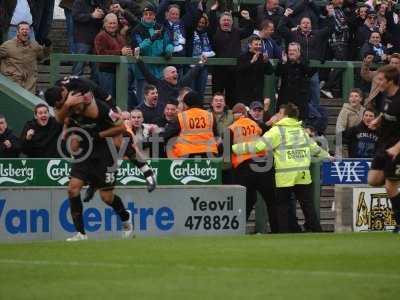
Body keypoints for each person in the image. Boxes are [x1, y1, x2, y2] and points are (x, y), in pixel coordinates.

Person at [44, 79, 156, 240]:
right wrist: (68, 117)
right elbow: (60, 118)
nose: (74, 110)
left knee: (107, 198)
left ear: (85, 99)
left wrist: (97, 135)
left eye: (75, 106)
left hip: (103, 148)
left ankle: (126, 215)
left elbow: (121, 128)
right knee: (72, 189)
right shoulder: (66, 105)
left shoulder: (99, 109)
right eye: (68, 107)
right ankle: (81, 233)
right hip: (85, 149)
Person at [232, 103, 331, 233]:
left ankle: (283, 234)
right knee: (307, 206)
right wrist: (328, 156)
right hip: (302, 174)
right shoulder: (301, 131)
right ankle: (317, 231)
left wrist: (235, 148)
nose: (277, 115)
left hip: (285, 176)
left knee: (282, 207)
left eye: (279, 113)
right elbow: (315, 149)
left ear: (284, 115)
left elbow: (258, 146)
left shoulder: (277, 131)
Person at [228, 103, 278, 232]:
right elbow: (264, 133)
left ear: (234, 115)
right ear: (246, 113)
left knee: (244, 202)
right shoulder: (254, 124)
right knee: (272, 202)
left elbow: (225, 150)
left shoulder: (232, 127)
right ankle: (278, 230)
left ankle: (237, 230)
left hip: (243, 169)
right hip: (262, 166)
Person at [367, 65, 400, 233]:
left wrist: (396, 148)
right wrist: (378, 120)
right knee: (373, 180)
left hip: (396, 148)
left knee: (390, 186)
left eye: (381, 80)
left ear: (391, 81)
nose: (378, 82)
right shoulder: (386, 96)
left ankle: (398, 223)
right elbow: (386, 111)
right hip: (383, 145)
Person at [209, 2, 253, 107]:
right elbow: (212, 21)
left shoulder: (236, 32)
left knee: (232, 95)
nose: (226, 22)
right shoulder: (215, 31)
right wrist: (212, 10)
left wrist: (248, 19)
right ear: (219, 22)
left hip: (233, 70)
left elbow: (248, 31)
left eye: (228, 20)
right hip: (219, 70)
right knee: (217, 93)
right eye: (224, 20)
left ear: (232, 22)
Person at [135, 47, 205, 110]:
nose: (176, 74)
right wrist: (138, 59)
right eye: (173, 72)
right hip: (162, 115)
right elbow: (147, 73)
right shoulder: (159, 84)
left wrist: (201, 62)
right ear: (166, 76)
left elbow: (191, 75)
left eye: (176, 72)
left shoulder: (180, 84)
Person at [130, 4, 174, 103]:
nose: (148, 16)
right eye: (146, 14)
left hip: (159, 73)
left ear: (154, 15)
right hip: (143, 73)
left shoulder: (161, 28)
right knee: (143, 102)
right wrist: (151, 39)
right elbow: (137, 49)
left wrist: (169, 50)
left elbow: (169, 43)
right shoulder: (137, 30)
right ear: (142, 16)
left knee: (160, 102)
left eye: (151, 14)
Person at [164, 91, 218, 158]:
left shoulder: (182, 116)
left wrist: (149, 140)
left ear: (186, 104)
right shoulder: (210, 115)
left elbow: (167, 134)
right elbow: (216, 136)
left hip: (187, 153)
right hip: (209, 153)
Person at [0, 21, 51, 94]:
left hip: (30, 84)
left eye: (27, 29)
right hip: (12, 83)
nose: (25, 31)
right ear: (17, 31)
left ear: (29, 31)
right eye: (22, 29)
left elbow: (42, 56)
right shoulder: (7, 45)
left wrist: (47, 47)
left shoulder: (34, 45)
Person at [94, 13, 133, 103]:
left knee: (119, 99)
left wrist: (128, 52)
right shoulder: (101, 36)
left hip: (119, 72)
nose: (112, 26)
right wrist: (120, 52)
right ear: (105, 24)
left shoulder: (120, 37)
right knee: (108, 99)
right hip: (106, 72)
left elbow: (124, 50)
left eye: (114, 23)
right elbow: (101, 53)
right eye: (110, 23)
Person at [275, 42, 315, 122]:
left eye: (294, 50)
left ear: (299, 52)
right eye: (290, 50)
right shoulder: (284, 62)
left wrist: (298, 62)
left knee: (300, 120)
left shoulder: (304, 62)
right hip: (285, 98)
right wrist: (284, 63)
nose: (291, 52)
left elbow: (310, 72)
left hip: (299, 99)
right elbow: (277, 73)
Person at [236, 35, 273, 106]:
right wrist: (252, 61)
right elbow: (239, 70)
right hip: (244, 94)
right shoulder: (242, 56)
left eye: (260, 45)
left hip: (258, 94)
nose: (258, 46)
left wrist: (267, 62)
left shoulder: (262, 57)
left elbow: (270, 72)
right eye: (256, 44)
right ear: (250, 45)